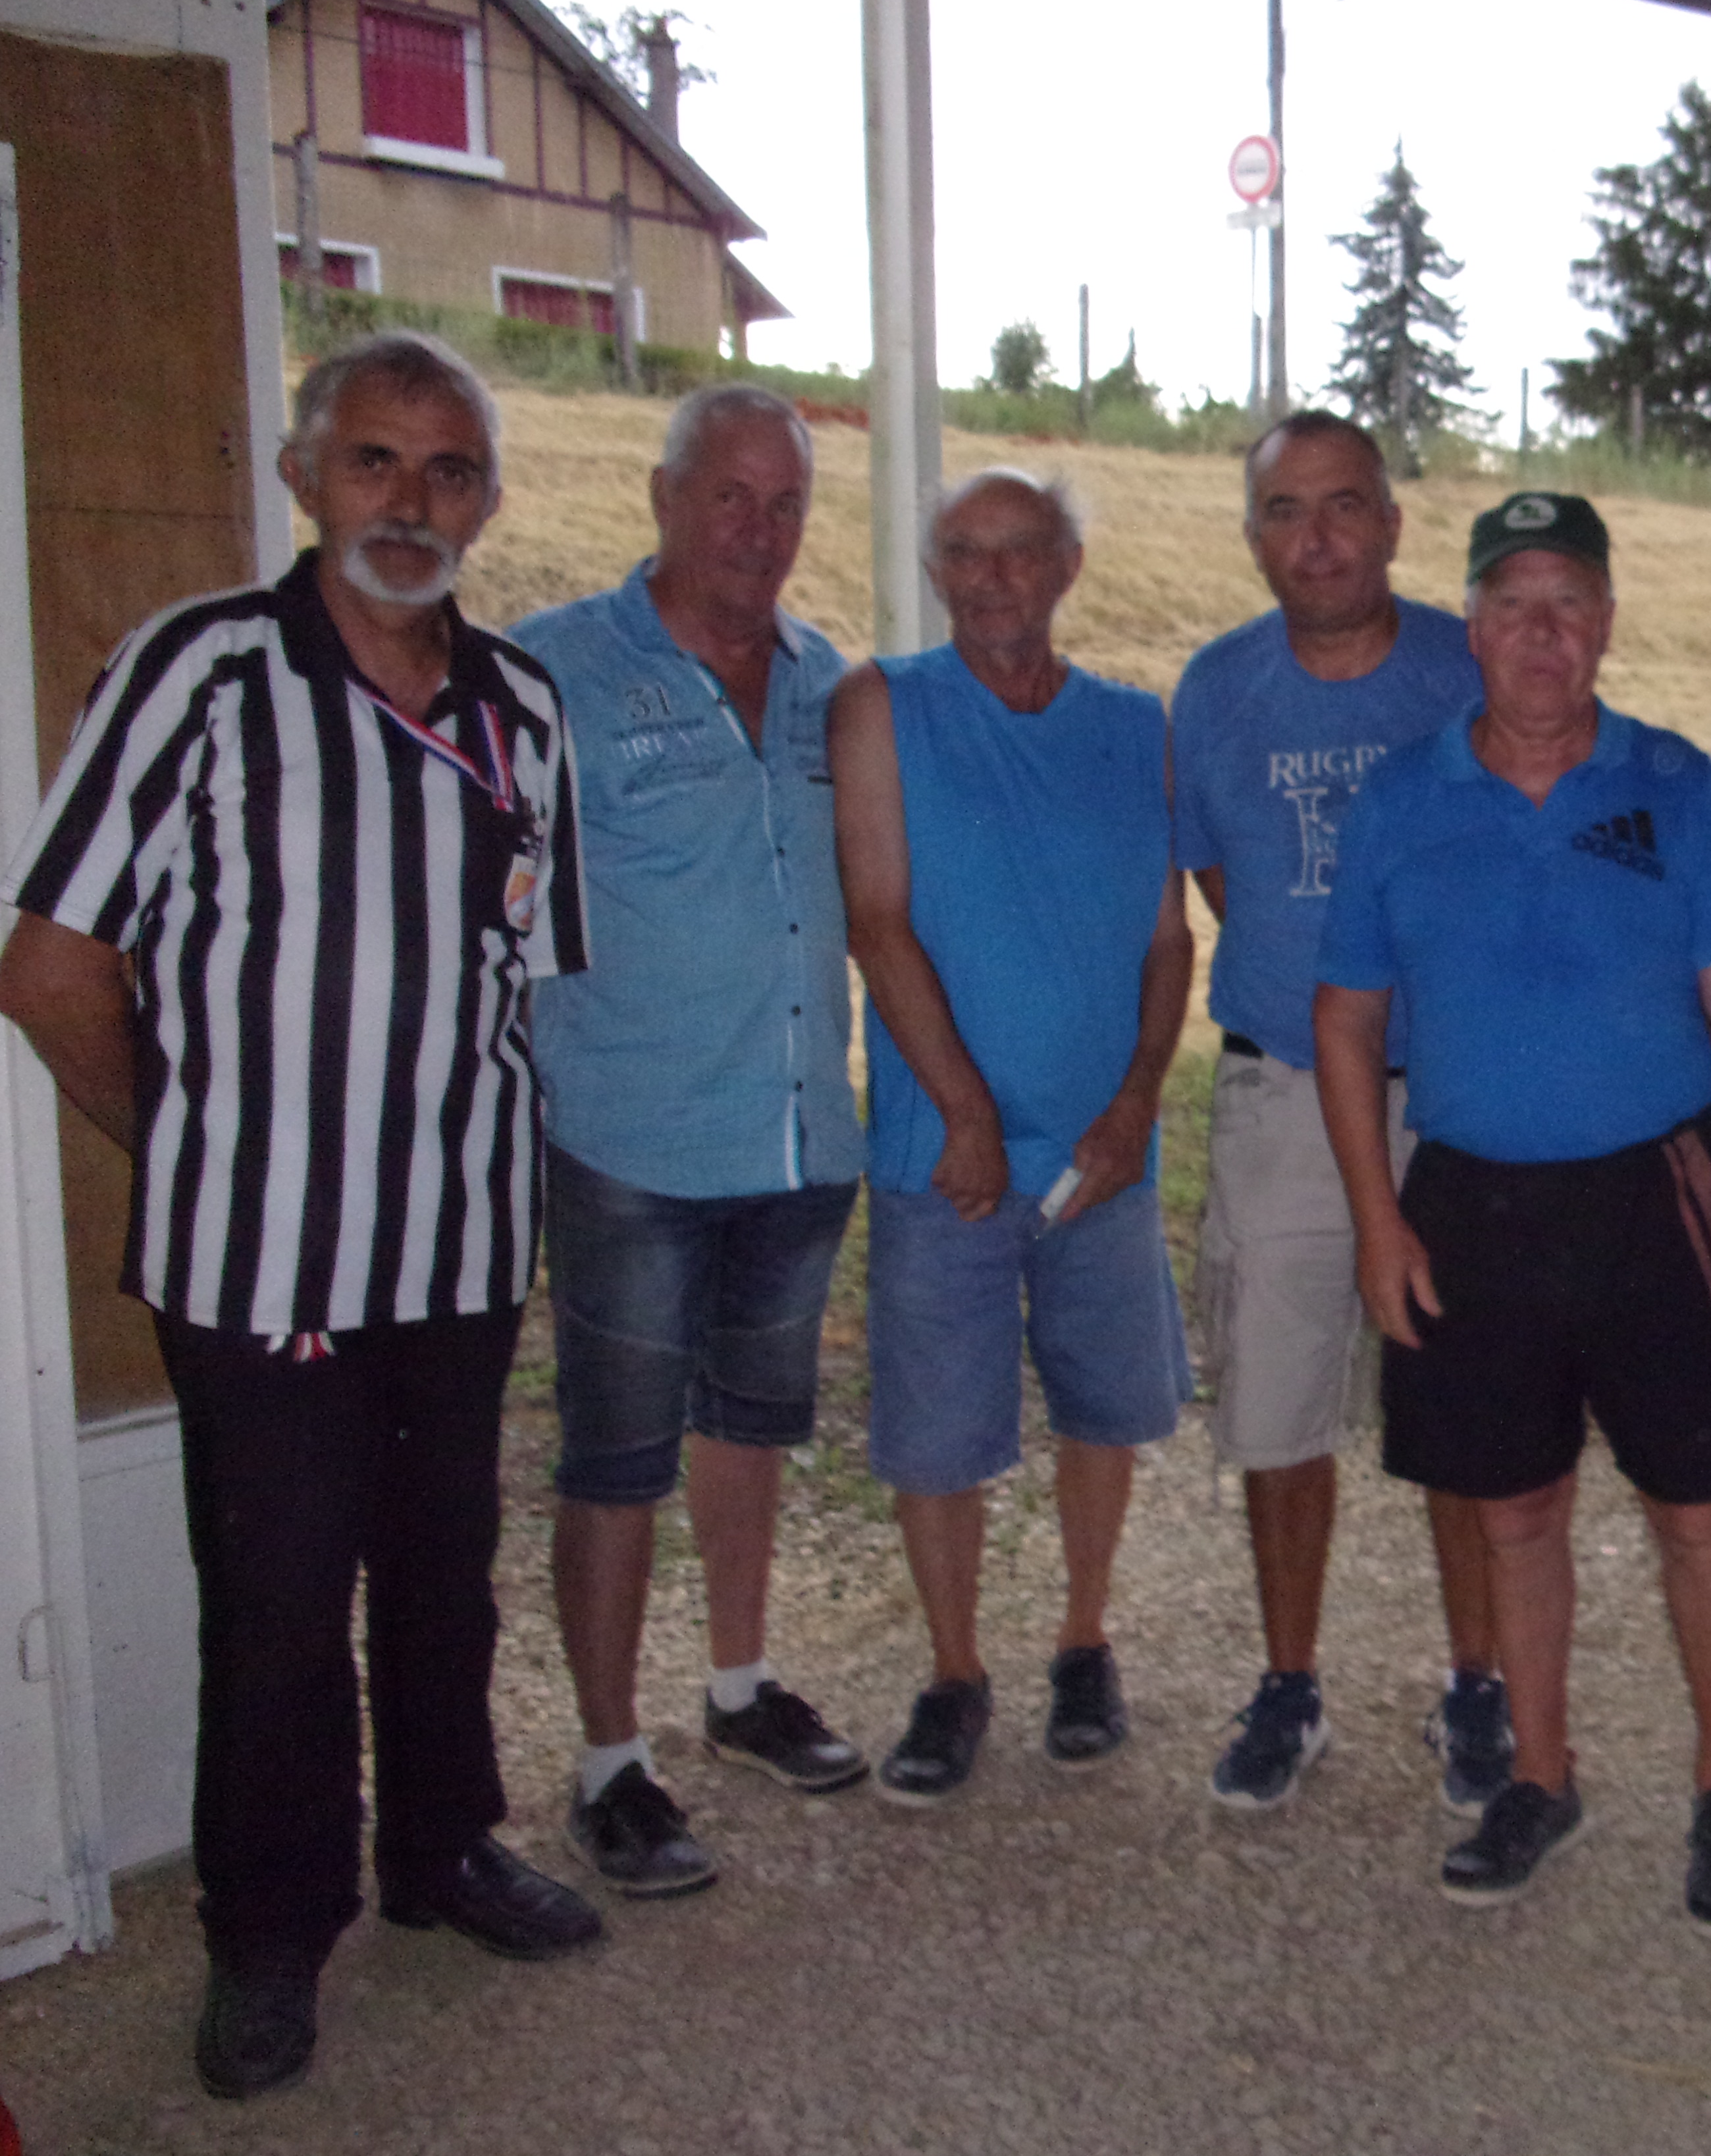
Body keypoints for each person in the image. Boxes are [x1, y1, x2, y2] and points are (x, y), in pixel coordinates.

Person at [0, 332, 599, 2099]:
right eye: (374, 464)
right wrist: (190, 1143)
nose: (411, 504)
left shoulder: (524, 712)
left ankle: (441, 1853)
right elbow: (46, 971)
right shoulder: (199, 673)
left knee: (443, 1581)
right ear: (304, 476)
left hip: (464, 1249)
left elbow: (520, 972)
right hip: (257, 1266)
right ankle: (269, 1937)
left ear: (483, 500)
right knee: (273, 1607)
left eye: (448, 473)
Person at [1313, 492, 1711, 1934]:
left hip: (1655, 1195)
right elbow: (1348, 1018)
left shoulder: (1672, 784)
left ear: (1605, 623)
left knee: (1696, 1507)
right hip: (1471, 1200)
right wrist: (1377, 1218)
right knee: (1515, 1510)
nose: (1543, 633)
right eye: (1514, 605)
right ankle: (1540, 1775)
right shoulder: (1400, 797)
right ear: (1472, 627)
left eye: (1571, 604)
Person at [515, 384, 868, 1902]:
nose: (759, 528)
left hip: (794, 1138)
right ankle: (607, 1763)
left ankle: (738, 1687)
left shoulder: (826, 681)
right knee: (613, 1461)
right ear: (661, 499)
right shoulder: (552, 671)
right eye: (728, 495)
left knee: (750, 1434)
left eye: (784, 500)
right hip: (631, 1142)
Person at [832, 467, 1196, 1804]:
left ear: (1067, 568)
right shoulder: (884, 706)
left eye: (1021, 552)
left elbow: (1168, 938)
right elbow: (880, 919)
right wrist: (969, 1111)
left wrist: (1141, 1096)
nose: (994, 579)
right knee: (939, 1429)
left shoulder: (1132, 727)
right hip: (949, 1155)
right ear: (938, 573)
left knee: (1106, 1408)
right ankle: (953, 1671)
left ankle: (1084, 1640)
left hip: (1106, 1150)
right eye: (965, 555)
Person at [1171, 411, 1504, 1813]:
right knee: (1278, 1404)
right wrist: (1317, 1008)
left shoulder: (1460, 668)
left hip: (1462, 1094)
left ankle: (1479, 1685)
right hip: (1287, 1092)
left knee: (1469, 1412)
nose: (1317, 539)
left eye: (1344, 507)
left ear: (1393, 521)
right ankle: (1290, 1681)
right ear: (1254, 534)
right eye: (1286, 512)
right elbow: (1224, 882)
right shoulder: (1216, 689)